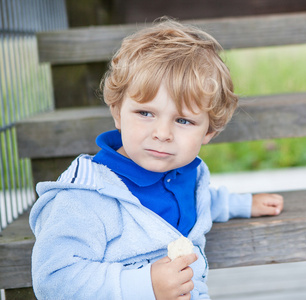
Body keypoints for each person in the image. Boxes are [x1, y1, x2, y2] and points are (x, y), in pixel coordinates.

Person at [29, 18, 284, 300]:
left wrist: (241, 203)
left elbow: (198, 198)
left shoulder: (185, 173)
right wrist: (145, 285)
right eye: (145, 113)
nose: (162, 133)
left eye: (183, 120)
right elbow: (53, 279)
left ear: (209, 131)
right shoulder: (87, 198)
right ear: (117, 112)